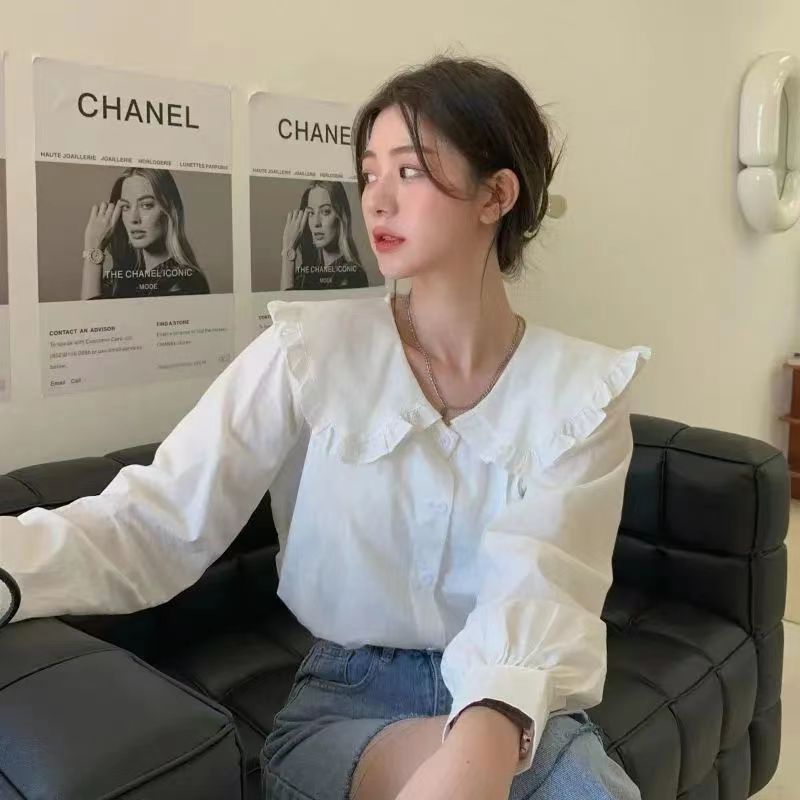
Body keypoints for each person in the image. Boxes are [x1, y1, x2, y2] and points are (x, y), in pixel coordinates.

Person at [0, 55, 652, 800]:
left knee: (573, 783)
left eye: (408, 171)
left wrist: (485, 738)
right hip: (345, 705)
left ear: (496, 194)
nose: (376, 200)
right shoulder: (308, 352)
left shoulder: (582, 392)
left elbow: (542, 582)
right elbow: (157, 518)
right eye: (368, 173)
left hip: (513, 702)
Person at [80, 167, 210, 300]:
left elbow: (92, 313)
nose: (133, 218)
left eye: (146, 205)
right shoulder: (121, 277)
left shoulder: (186, 283)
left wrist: (93, 251)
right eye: (126, 207)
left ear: (170, 211)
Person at [280, 180, 369, 290]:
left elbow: (288, 301)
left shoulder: (352, 276)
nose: (316, 223)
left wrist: (288, 252)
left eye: (325, 211)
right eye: (311, 213)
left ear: (341, 217)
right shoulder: (305, 273)